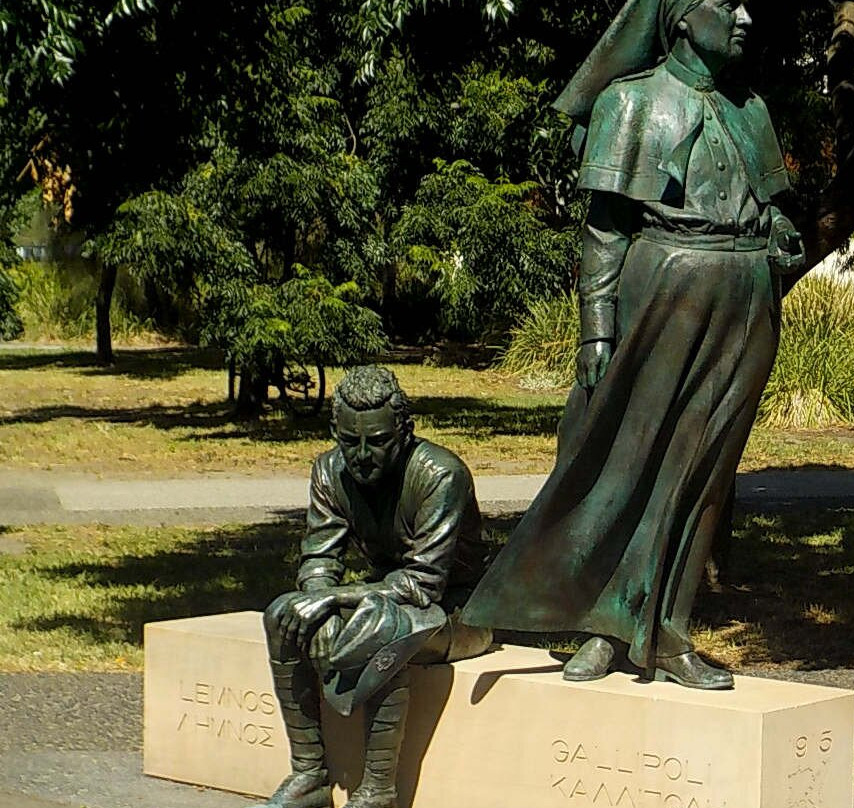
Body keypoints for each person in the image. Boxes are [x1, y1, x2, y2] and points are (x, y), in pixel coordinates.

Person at [462, 0, 803, 690]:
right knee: (624, 458)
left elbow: (763, 199)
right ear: (679, 18)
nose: (744, 15)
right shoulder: (630, 103)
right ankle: (597, 624)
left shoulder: (751, 108)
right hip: (663, 285)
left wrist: (775, 230)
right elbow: (604, 228)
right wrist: (596, 325)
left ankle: (669, 631)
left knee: (705, 472)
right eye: (722, 3)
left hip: (746, 295)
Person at [255, 366, 491, 808]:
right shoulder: (329, 470)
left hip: (460, 613)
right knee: (282, 615)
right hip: (386, 595)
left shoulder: (441, 475)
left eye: (378, 442)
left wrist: (332, 598)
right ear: (335, 432)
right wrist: (317, 606)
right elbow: (320, 558)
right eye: (350, 441)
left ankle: (378, 792)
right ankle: (310, 776)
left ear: (405, 432)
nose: (362, 455)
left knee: (384, 624)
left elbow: (424, 584)